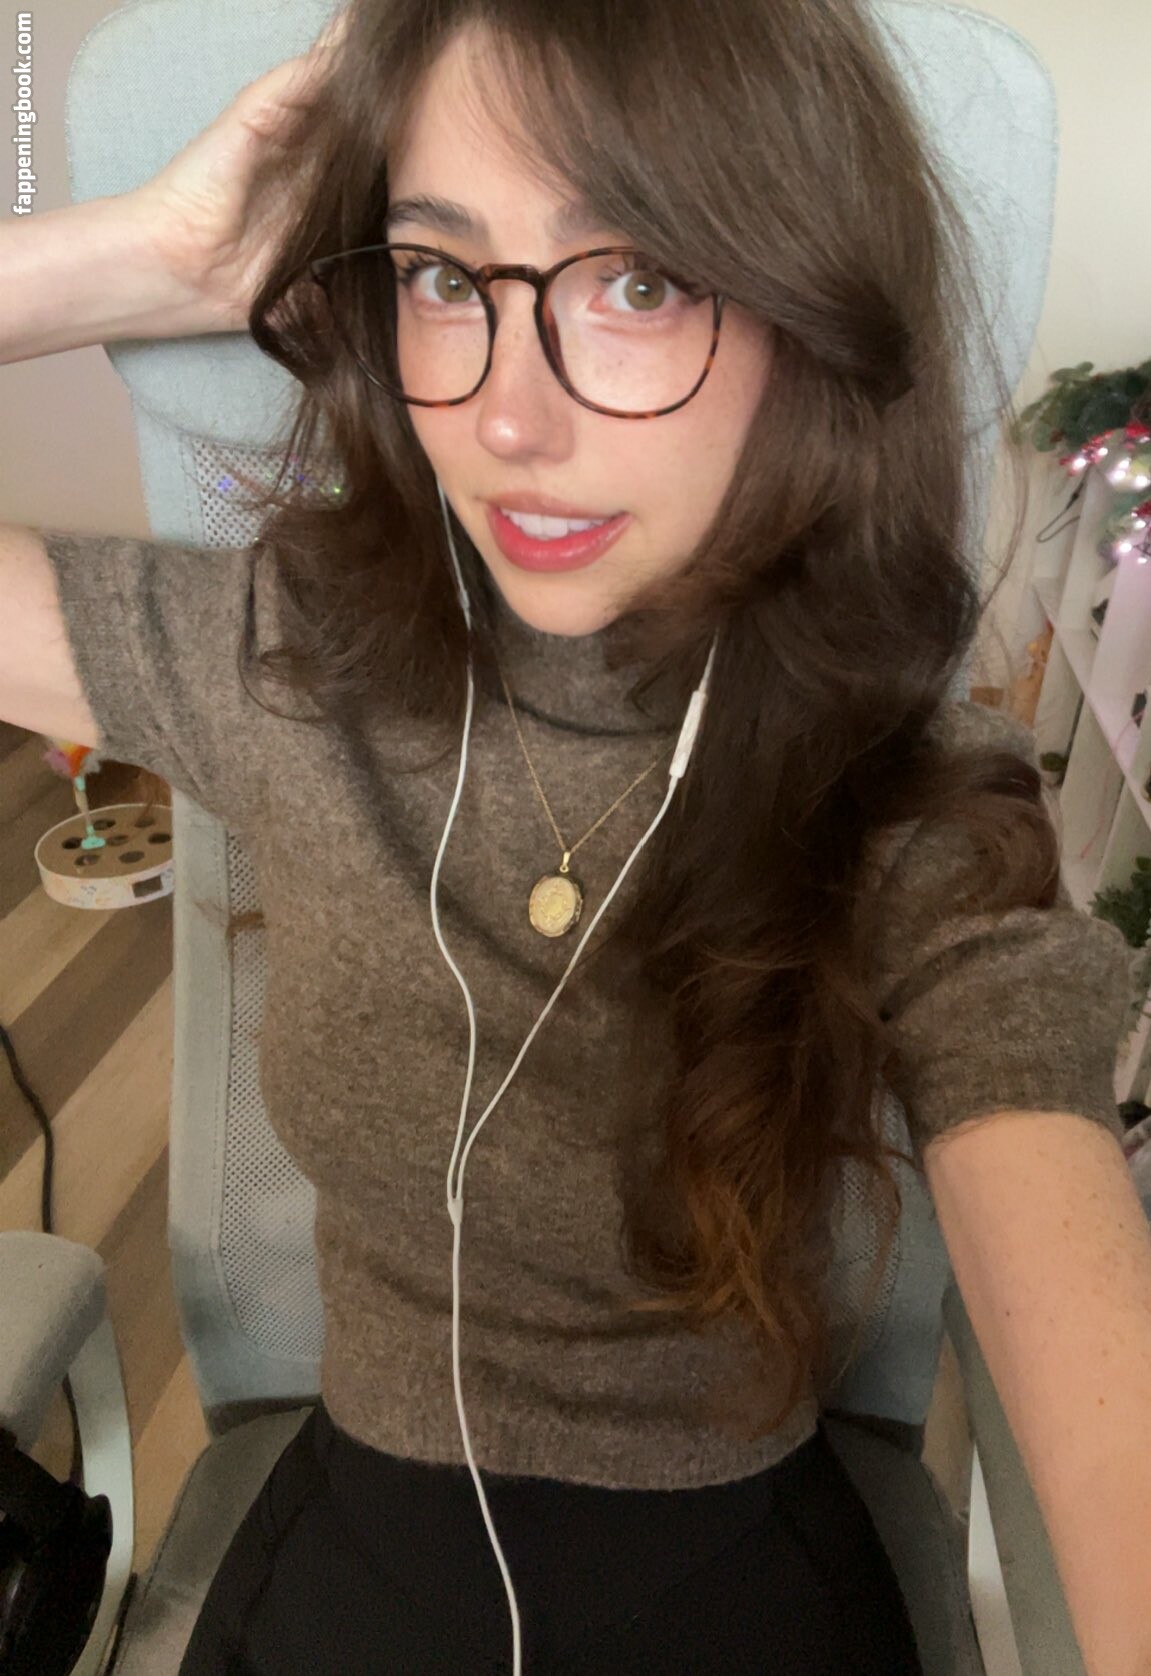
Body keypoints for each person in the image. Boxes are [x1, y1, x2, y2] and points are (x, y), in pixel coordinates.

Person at [1, 2, 1145, 1673]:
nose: (510, 422)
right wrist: (139, 261)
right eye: (440, 274)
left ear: (807, 311)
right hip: (364, 1525)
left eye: (640, 282)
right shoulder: (289, 662)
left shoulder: (902, 800)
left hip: (739, 1565)